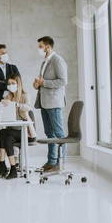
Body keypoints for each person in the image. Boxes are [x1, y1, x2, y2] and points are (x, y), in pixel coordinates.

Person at [0, 74, 37, 179]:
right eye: (9, 84)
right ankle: (11, 167)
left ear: (18, 84)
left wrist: (15, 104)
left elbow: (28, 108)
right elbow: (5, 115)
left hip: (25, 131)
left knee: (5, 134)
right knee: (4, 134)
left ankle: (3, 165)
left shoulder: (25, 95)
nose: (10, 85)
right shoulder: (7, 97)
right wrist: (1, 106)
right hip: (12, 131)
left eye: (13, 83)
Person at [33, 36, 67, 172]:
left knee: (59, 134)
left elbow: (63, 81)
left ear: (48, 46)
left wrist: (44, 83)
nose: (39, 49)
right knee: (50, 134)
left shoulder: (57, 60)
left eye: (40, 46)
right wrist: (37, 84)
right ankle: (51, 161)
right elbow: (42, 82)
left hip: (54, 102)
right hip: (44, 102)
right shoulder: (45, 62)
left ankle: (60, 162)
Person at [0, 44, 21, 173]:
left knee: (12, 129)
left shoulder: (13, 67)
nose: (5, 54)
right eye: (2, 53)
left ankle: (15, 161)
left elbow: (18, 82)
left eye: (6, 52)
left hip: (12, 102)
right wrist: (9, 83)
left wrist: (2, 83)